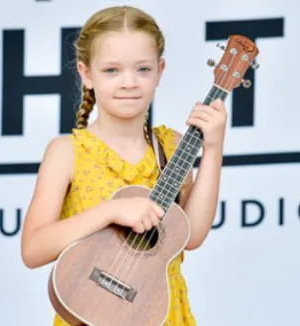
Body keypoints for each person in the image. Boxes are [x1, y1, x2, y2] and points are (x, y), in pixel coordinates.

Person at [21, 5, 226, 325]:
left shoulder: (170, 146)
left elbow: (192, 235)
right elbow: (33, 250)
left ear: (160, 70)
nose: (129, 82)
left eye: (142, 69)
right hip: (91, 314)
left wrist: (213, 148)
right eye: (112, 70)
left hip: (159, 313)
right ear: (86, 73)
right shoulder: (67, 152)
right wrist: (111, 211)